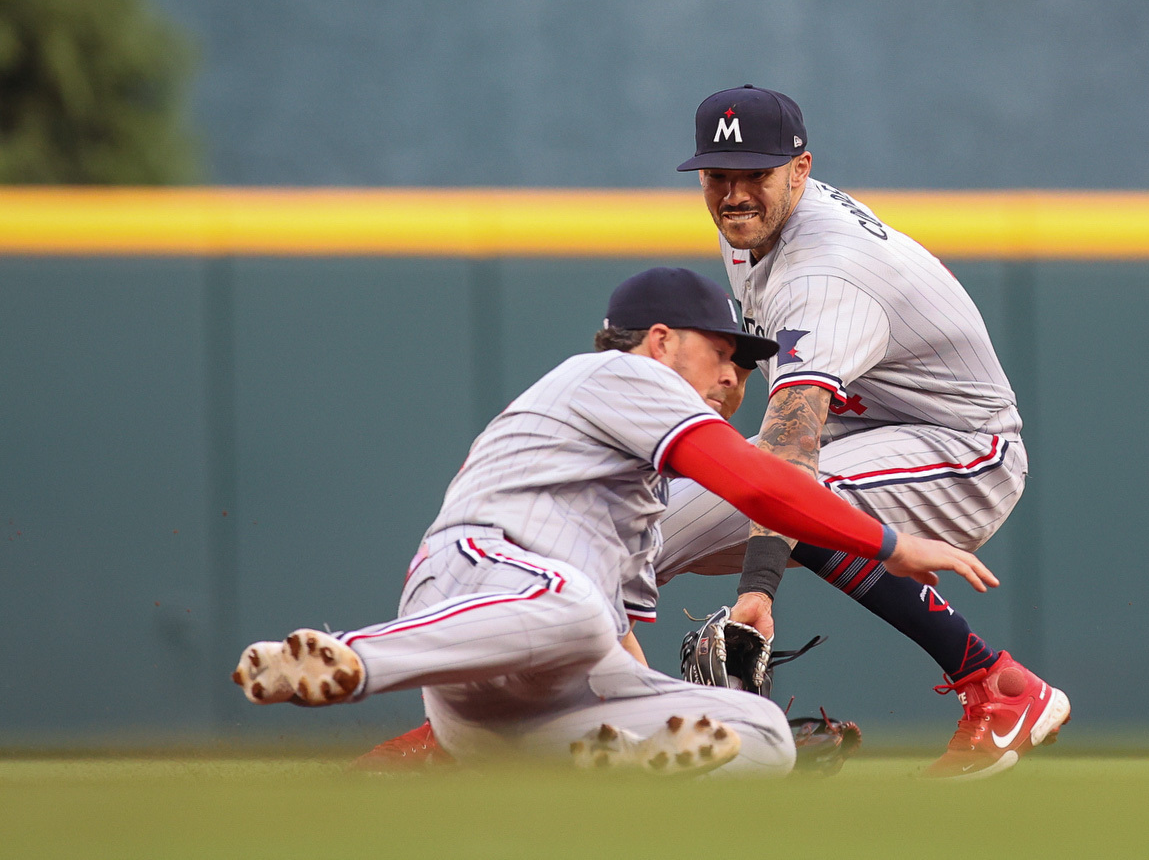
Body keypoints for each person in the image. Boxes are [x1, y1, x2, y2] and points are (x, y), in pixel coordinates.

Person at [234, 267, 999, 776]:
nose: (735, 374)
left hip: (511, 712)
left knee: (757, 734)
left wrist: (676, 706)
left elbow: (616, 652)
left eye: (744, 360)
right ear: (661, 341)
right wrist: (887, 543)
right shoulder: (618, 372)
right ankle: (350, 657)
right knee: (572, 608)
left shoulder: (637, 497)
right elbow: (759, 485)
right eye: (721, 351)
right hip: (477, 577)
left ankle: (619, 764)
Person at [649, 85, 1071, 779]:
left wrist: (759, 588)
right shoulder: (753, 227)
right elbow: (768, 369)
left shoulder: (824, 270)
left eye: (753, 173)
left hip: (959, 450)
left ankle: (994, 687)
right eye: (718, 175)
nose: (732, 193)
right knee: (644, 523)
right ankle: (503, 722)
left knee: (800, 498)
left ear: (800, 168)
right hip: (865, 428)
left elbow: (790, 451)